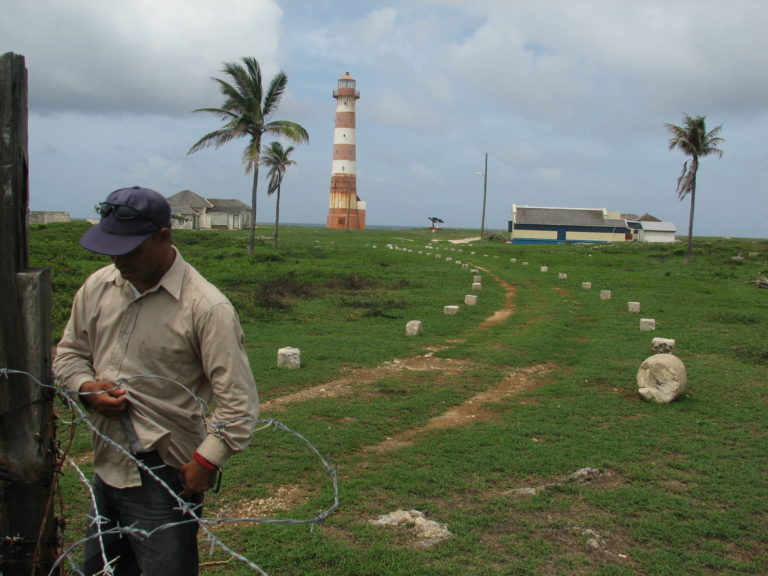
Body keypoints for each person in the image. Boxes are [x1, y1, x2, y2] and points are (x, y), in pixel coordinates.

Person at [53, 186, 259, 576]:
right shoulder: (99, 287)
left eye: (131, 250)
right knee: (101, 569)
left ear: (164, 237)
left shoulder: (206, 307)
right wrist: (85, 388)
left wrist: (207, 460)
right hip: (106, 462)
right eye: (112, 249)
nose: (119, 260)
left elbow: (239, 403)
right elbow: (69, 354)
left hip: (165, 474)